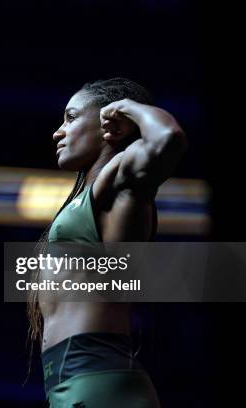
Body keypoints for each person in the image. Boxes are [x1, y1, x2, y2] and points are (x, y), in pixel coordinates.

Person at [27, 78, 188, 407]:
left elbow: (168, 137)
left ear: (111, 125)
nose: (59, 132)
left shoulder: (119, 179)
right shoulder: (93, 192)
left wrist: (127, 108)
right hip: (74, 379)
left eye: (71, 118)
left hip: (96, 377)